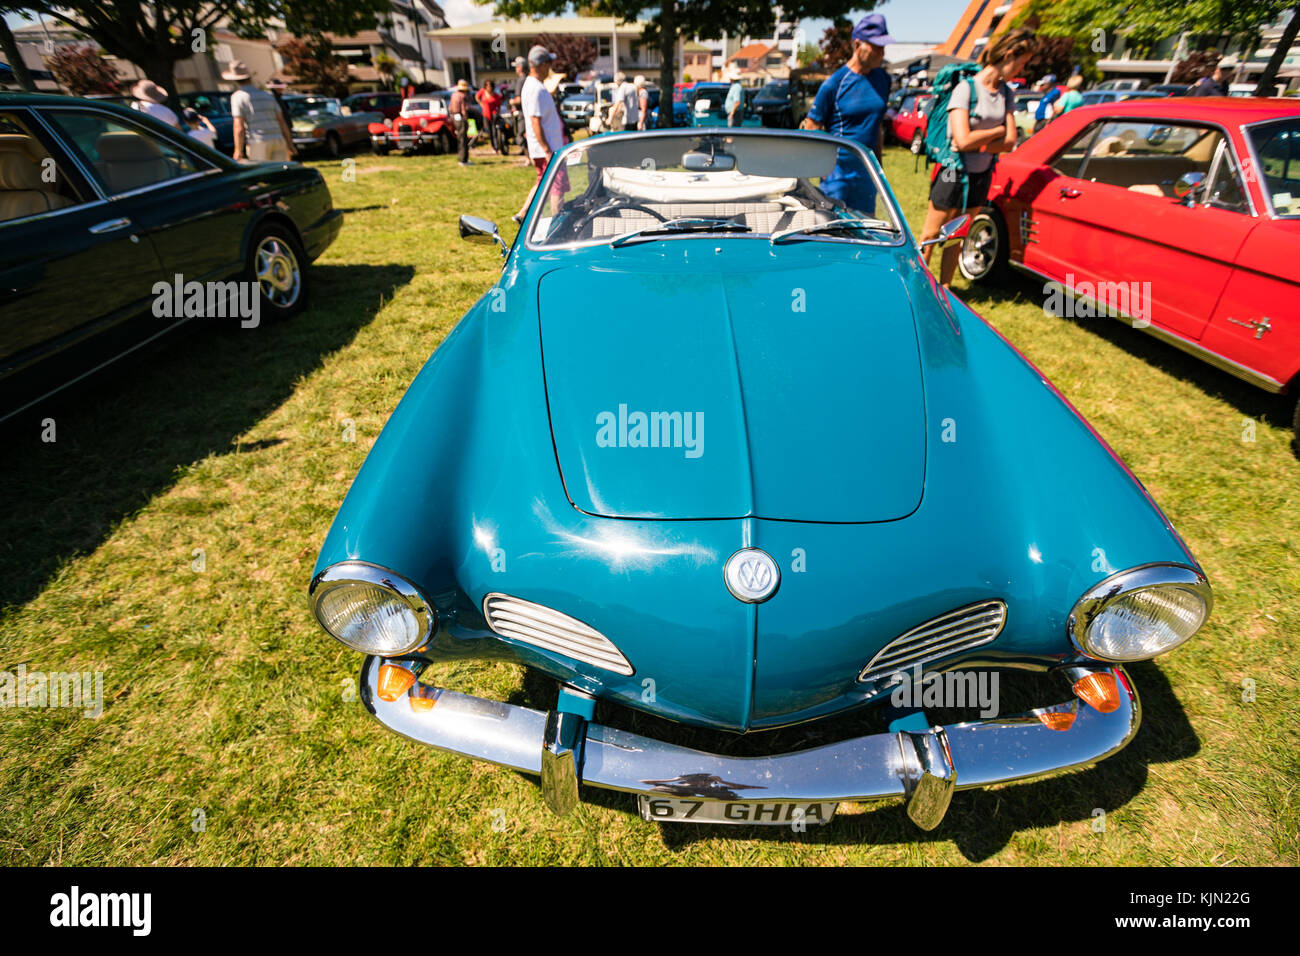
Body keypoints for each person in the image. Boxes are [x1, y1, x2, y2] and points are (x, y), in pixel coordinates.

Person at [918, 27, 1036, 290]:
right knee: (932, 234)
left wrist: (981, 141)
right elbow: (962, 140)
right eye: (1022, 62)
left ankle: (945, 290)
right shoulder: (965, 89)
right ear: (1008, 55)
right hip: (952, 172)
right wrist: (995, 132)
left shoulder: (1006, 93)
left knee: (957, 235)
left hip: (980, 175)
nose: (1022, 69)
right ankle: (919, 288)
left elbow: (1010, 141)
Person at [800, 13, 894, 213]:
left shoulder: (883, 80)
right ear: (857, 45)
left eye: (883, 47)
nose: (882, 53)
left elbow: (876, 124)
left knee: (866, 231)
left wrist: (878, 168)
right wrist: (823, 171)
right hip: (837, 176)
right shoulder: (834, 84)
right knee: (835, 233)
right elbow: (812, 127)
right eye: (876, 47)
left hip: (866, 174)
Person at [514, 44, 568, 222]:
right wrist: (546, 150)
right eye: (549, 64)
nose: (550, 68)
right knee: (556, 186)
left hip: (545, 147)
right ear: (542, 65)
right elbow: (535, 120)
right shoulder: (535, 88)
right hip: (548, 149)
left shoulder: (534, 86)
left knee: (542, 182)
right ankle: (557, 222)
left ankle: (523, 214)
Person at [224, 61, 296, 162]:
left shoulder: (238, 97)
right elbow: (281, 121)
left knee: (263, 174)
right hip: (278, 139)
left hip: (258, 141)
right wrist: (289, 143)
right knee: (280, 173)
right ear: (250, 77)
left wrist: (238, 150)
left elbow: (238, 126)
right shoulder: (267, 96)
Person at [449, 78, 473, 166]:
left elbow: (450, 108)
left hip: (455, 117)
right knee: (463, 139)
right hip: (461, 118)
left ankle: (462, 158)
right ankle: (463, 160)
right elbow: (464, 109)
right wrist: (466, 117)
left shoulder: (453, 95)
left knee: (460, 138)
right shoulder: (462, 96)